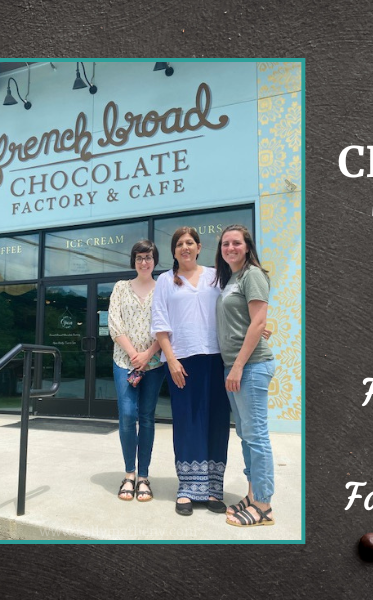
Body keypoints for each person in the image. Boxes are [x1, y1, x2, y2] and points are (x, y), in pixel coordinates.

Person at [151, 227, 231, 516]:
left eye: (189, 243)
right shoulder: (165, 281)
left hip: (217, 358)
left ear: (199, 247)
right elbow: (160, 323)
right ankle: (186, 488)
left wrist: (254, 328)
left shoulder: (215, 276)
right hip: (182, 360)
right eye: (179, 244)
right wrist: (170, 360)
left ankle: (212, 490)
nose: (185, 247)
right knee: (187, 421)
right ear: (174, 251)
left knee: (217, 421)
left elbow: (234, 308)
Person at [214, 224, 277, 527]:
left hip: (250, 367)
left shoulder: (253, 274)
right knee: (246, 436)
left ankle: (263, 505)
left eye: (236, 243)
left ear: (247, 246)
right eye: (225, 244)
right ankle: (253, 495)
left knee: (257, 437)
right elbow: (247, 321)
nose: (230, 248)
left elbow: (259, 321)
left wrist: (238, 365)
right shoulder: (233, 279)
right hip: (236, 366)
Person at [108, 239, 164, 502]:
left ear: (155, 261)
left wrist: (148, 354)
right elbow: (114, 324)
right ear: (134, 261)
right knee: (128, 416)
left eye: (149, 257)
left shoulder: (162, 287)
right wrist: (133, 355)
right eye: (140, 257)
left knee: (148, 417)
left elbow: (167, 325)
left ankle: (143, 477)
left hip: (154, 363)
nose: (144, 262)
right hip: (124, 361)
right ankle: (129, 474)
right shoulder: (120, 288)